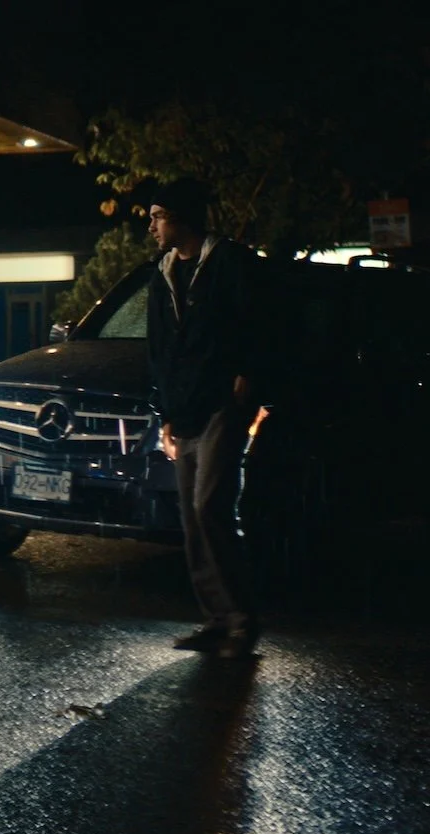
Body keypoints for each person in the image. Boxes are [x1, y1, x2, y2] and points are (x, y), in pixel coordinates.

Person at [145, 178, 266, 658]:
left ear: (180, 217)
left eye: (158, 215)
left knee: (209, 506)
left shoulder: (231, 264)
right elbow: (160, 350)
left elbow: (261, 324)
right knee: (192, 519)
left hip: (220, 403)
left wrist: (250, 375)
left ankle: (241, 619)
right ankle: (216, 619)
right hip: (186, 408)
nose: (152, 226)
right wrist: (166, 411)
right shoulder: (163, 273)